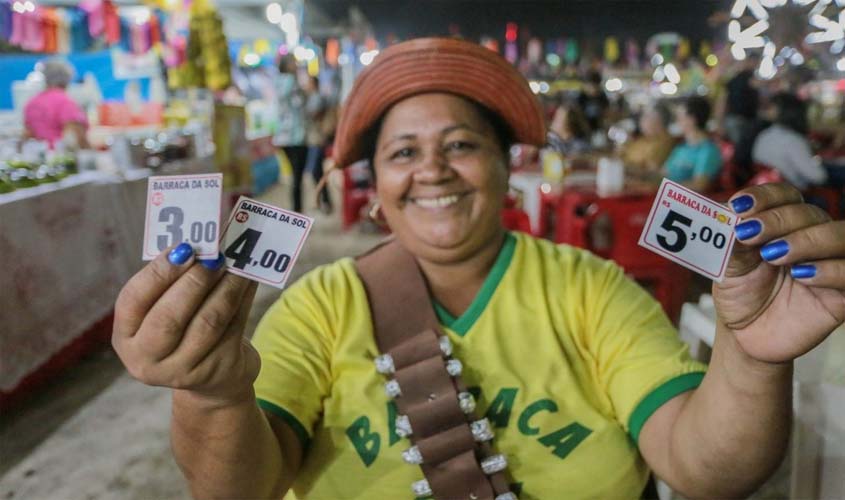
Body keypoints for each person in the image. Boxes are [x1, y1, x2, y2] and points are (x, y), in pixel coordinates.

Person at [112, 38, 845, 499]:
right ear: (375, 196)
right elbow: (238, 489)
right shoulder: (317, 306)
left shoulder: (588, 287)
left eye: (461, 144)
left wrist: (748, 356)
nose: (431, 168)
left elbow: (704, 469)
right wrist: (210, 396)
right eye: (402, 152)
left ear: (506, 171)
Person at [752, 93, 827, 190]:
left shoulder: (764, 135)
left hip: (768, 188)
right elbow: (819, 177)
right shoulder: (793, 140)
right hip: (796, 194)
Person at [23, 58, 89, 149]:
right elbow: (74, 136)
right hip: (60, 157)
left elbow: (28, 133)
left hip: (39, 155)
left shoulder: (32, 103)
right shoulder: (65, 102)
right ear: (67, 79)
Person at [661, 96, 723, 191]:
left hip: (676, 201)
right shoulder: (681, 147)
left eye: (679, 117)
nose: (677, 121)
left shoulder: (708, 150)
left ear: (692, 119)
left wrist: (663, 188)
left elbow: (699, 185)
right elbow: (663, 173)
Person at [273, 55, 308, 212]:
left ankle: (296, 211)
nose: (296, 65)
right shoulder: (293, 83)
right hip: (296, 136)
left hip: (282, 136)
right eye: (294, 62)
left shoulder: (276, 82)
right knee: (297, 178)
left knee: (294, 177)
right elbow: (300, 105)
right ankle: (297, 212)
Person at [302, 75, 332, 213]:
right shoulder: (313, 97)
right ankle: (324, 201)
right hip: (314, 139)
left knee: (315, 171)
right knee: (318, 171)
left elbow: (313, 115)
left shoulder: (317, 98)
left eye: (308, 82)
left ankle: (322, 200)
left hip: (317, 139)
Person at [620, 101, 675, 173]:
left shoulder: (664, 142)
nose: (641, 121)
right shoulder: (642, 139)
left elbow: (650, 170)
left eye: (646, 117)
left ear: (658, 121)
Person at [720, 57, 759, 144]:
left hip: (734, 119)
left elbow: (723, 102)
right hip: (741, 120)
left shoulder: (733, 80)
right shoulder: (748, 77)